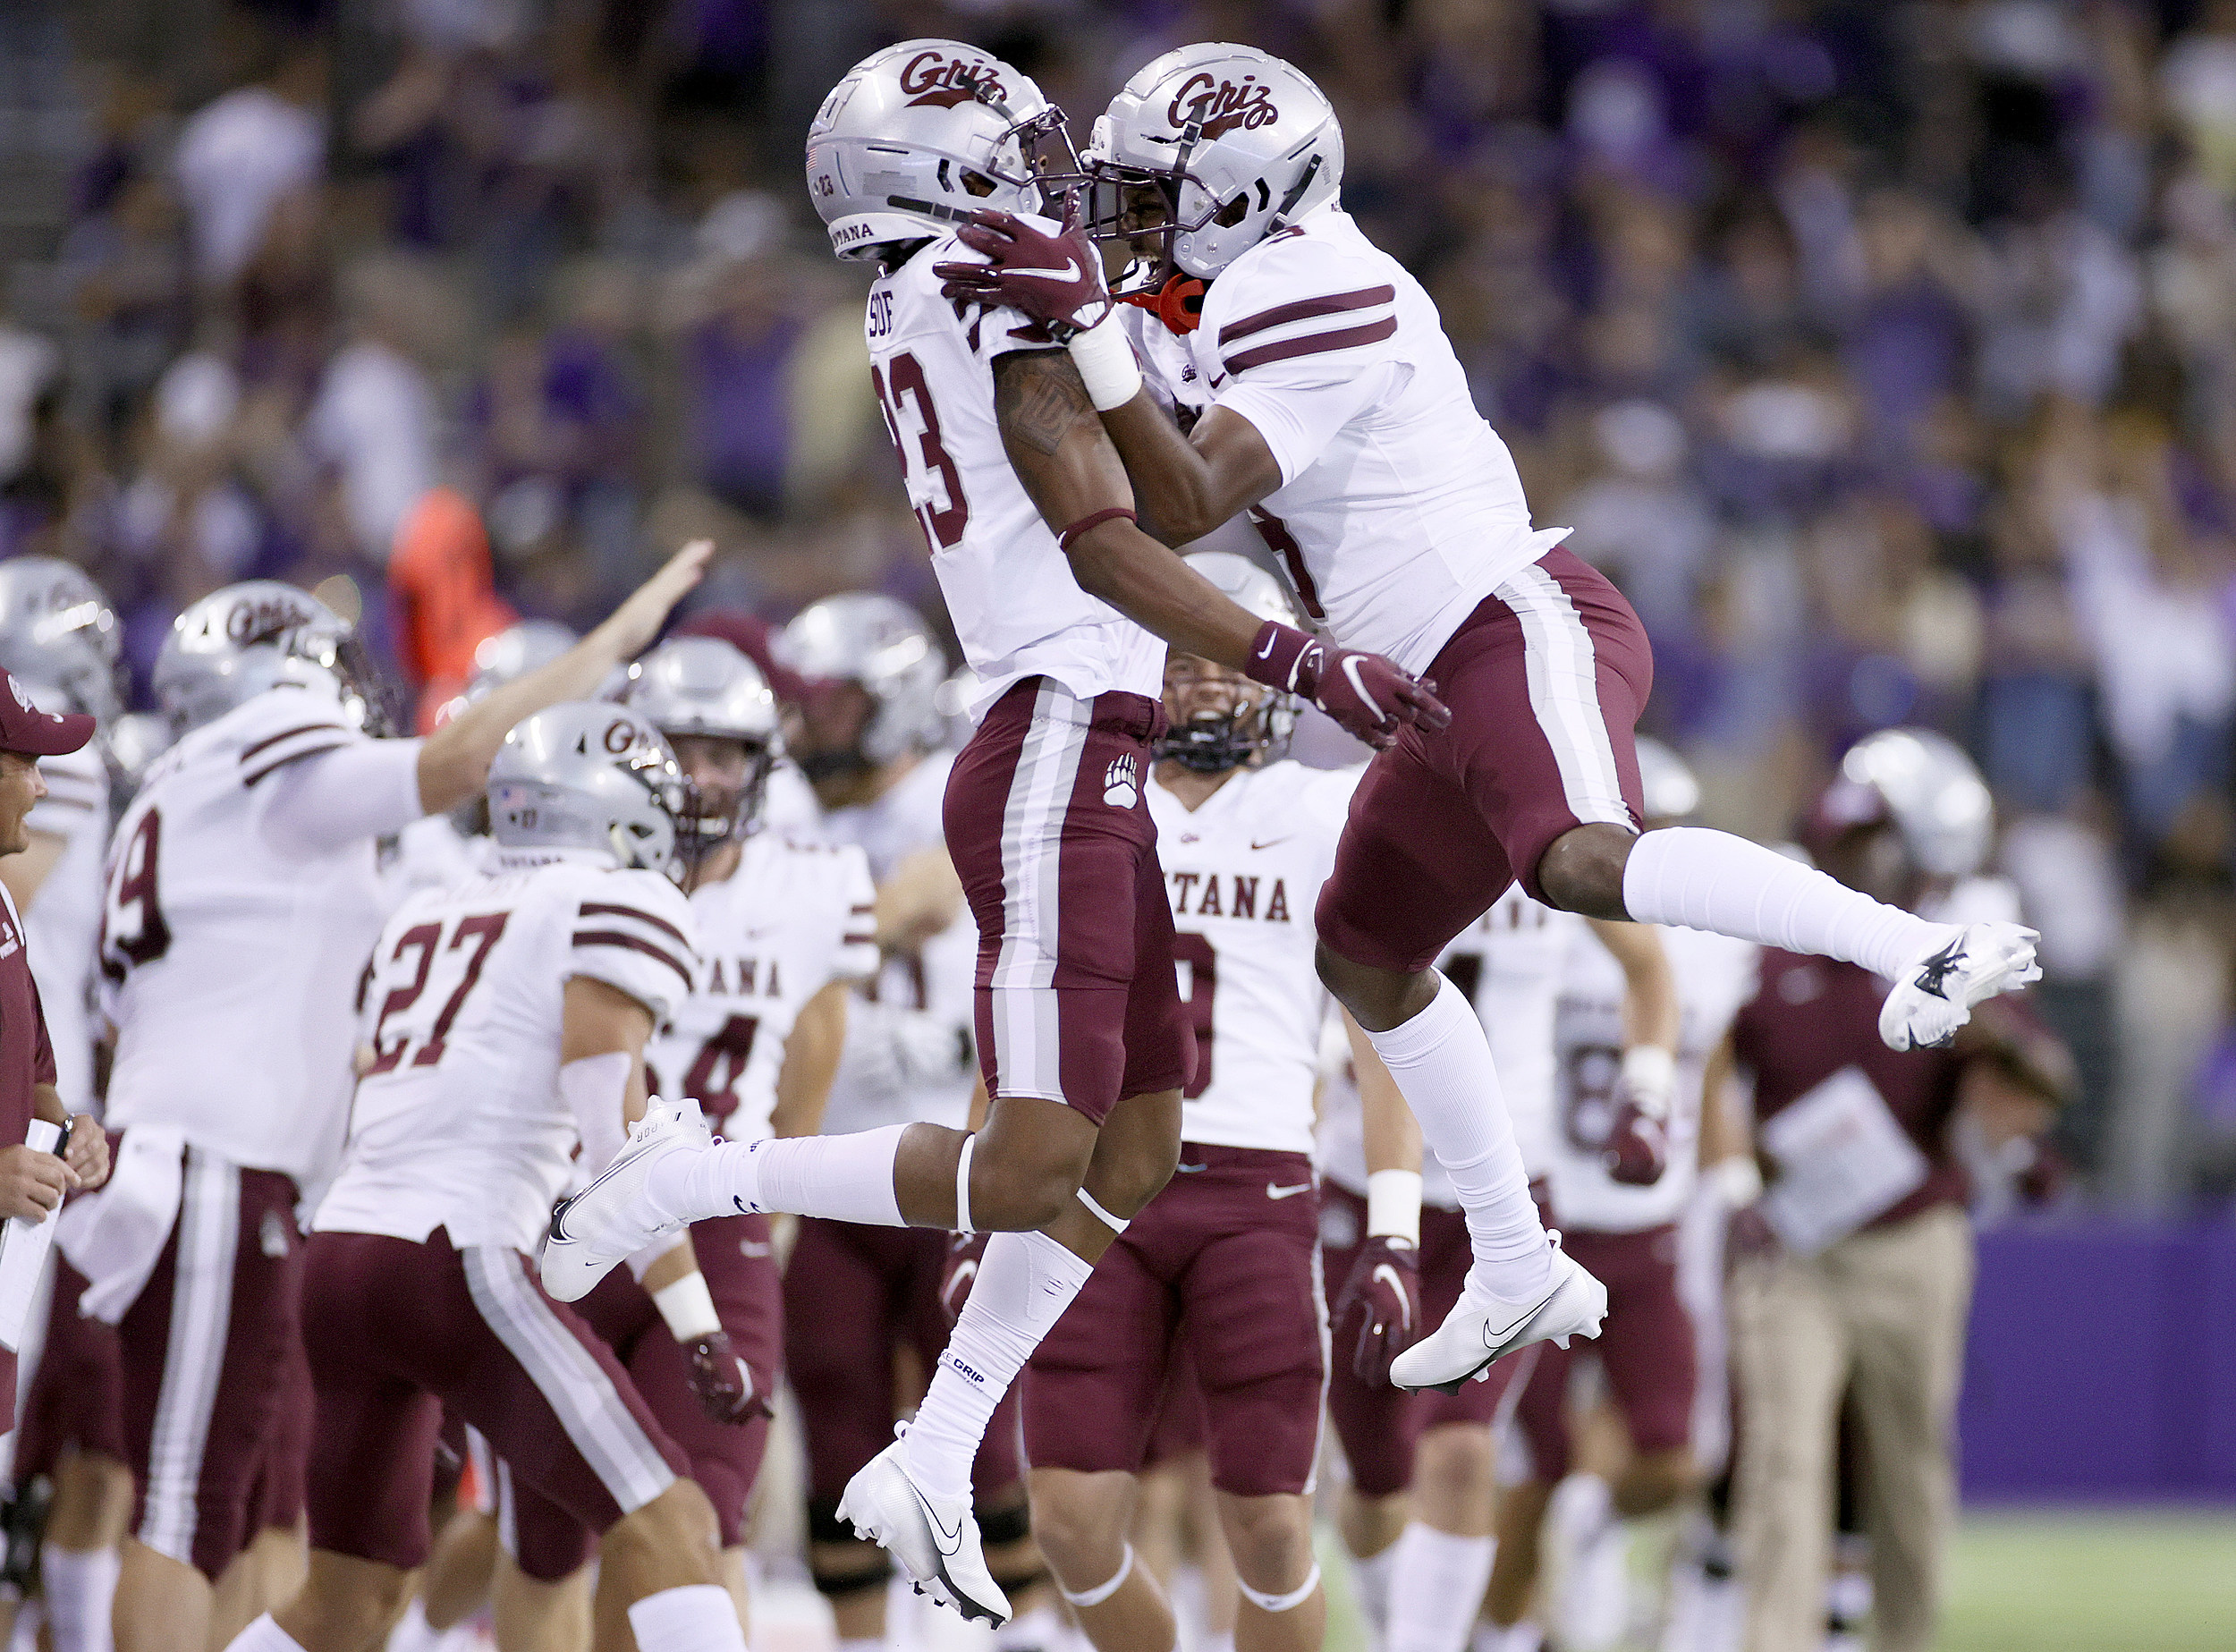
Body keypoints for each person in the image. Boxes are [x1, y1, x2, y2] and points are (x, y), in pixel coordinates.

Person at [940, 40, 2042, 1395]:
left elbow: (1181, 500)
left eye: (1155, 193)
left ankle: (1919, 949)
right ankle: (1515, 1254)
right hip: (1419, 680)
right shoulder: (1209, 282)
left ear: (1241, 198)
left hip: (1510, 619)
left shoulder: (1318, 281)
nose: (1129, 219)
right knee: (1366, 955)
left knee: (1578, 856)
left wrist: (1093, 335)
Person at [540, 39, 1442, 1626]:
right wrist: (1296, 655)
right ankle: (698, 1171)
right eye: (1020, 154)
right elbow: (1109, 539)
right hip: (1050, 739)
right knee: (1034, 1162)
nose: (1057, 182)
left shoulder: (937, 286)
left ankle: (940, 1441)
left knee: (1139, 1143)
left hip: (1081, 738)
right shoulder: (984, 286)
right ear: (951, 174)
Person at [78, 546, 707, 1652]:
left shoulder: (177, 806)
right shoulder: (267, 765)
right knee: (187, 1508)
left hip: (298, 1209)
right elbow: (461, 757)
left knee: (340, 1592)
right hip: (262, 1176)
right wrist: (608, 643)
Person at [217, 701, 745, 1652]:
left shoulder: (430, 905)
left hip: (340, 1257)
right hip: (455, 1253)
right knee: (678, 1524)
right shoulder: (611, 900)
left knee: (348, 1601)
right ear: (608, 808)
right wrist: (697, 1321)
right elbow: (608, 1120)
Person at [496, 636, 877, 1646]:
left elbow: (814, 1053)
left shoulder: (814, 881)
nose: (703, 776)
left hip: (714, 1219)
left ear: (761, 765)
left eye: (725, 753)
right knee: (544, 1542)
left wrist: (775, 1203)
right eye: (681, 747)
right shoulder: (570, 871)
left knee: (700, 1524)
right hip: (569, 1223)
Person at [1019, 550, 1365, 1652]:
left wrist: (1396, 1219)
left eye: (1225, 659)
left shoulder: (1326, 808)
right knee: (1067, 1520)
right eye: (1181, 658)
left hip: (1255, 1185)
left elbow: (1386, 1028)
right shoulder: (1083, 804)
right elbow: (1022, 1004)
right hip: (1096, 1183)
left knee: (1267, 1519)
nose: (1205, 683)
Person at [1718, 732, 2071, 1652]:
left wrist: (1986, 1034)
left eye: (1871, 836)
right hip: (1795, 1244)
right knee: (1783, 1459)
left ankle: (1904, 1638)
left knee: (1909, 1468)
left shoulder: (1957, 946)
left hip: (1913, 1239)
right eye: (1844, 836)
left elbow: (2048, 1080)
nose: (1850, 853)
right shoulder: (1772, 936)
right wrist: (1738, 1177)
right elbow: (1715, 1075)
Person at [773, 593, 1059, 1651]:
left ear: (890, 703)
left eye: (833, 703)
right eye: (800, 705)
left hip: (952, 1157)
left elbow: (918, 900)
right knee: (835, 1402)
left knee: (978, 1413)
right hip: (832, 1152)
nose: (809, 728)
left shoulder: (952, 796)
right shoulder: (784, 815)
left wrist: (815, 932)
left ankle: (1023, 1632)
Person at [1320, 871, 1674, 1652]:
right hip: (1370, 1178)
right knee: (1376, 1478)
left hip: (1508, 1198)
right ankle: (1396, 1628)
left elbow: (1648, 964)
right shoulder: (1378, 832)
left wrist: (1647, 1089)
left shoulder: (1544, 842)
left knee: (1462, 1446)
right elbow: (1378, 1051)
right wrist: (1391, 1231)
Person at [1482, 741, 1755, 1652]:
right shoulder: (1545, 922)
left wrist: (1729, 1183)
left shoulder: (1706, 951)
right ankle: (1501, 1626)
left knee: (1675, 1454)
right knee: (1532, 1463)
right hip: (1550, 1221)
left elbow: (1711, 1079)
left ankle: (1587, 1528)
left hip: (1649, 1226)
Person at [0, 562, 129, 1652]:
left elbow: (31, 997)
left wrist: (57, 1107)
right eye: (25, 761)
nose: (42, 783)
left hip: (33, 1139)